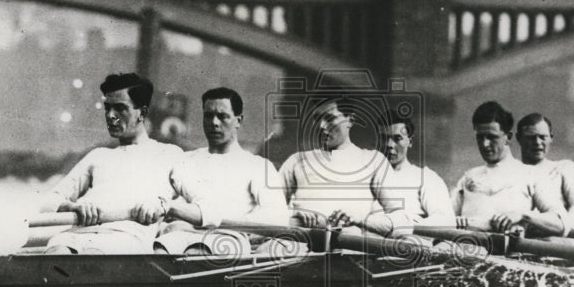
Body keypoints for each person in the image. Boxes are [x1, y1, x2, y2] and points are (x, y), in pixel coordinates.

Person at [38, 72, 183, 253]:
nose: (110, 115)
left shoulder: (169, 154)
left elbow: (192, 200)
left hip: (125, 237)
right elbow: (48, 201)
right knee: (55, 256)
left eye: (120, 108)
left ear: (142, 113)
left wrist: (160, 205)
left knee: (90, 260)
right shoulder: (98, 156)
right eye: (107, 108)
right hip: (77, 234)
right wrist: (73, 206)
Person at [153, 88, 288, 248]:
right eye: (208, 115)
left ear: (238, 120)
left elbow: (277, 217)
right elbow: (160, 201)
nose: (214, 123)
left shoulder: (258, 166)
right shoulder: (186, 160)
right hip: (180, 236)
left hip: (226, 240)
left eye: (222, 116)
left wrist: (229, 223)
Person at [278, 95, 407, 236]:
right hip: (299, 249)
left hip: (349, 252)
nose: (321, 126)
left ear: (350, 120)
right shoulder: (297, 161)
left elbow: (402, 224)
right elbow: (267, 211)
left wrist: (360, 220)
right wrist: (293, 213)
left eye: (329, 118)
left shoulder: (373, 161)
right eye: (317, 118)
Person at [451, 101, 566, 236]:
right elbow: (442, 218)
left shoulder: (531, 175)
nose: (485, 144)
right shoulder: (469, 177)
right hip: (466, 250)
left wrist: (523, 215)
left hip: (507, 254)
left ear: (508, 137)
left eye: (492, 137)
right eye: (480, 137)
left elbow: (560, 223)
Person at [515, 112, 574, 231]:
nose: (537, 142)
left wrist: (558, 226)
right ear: (518, 138)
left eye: (542, 137)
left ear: (551, 138)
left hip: (559, 240)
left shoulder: (564, 168)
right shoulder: (511, 173)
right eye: (531, 137)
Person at [378, 111, 455, 227]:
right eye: (384, 138)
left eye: (397, 138)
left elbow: (446, 221)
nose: (389, 145)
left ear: (410, 141)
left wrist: (407, 225)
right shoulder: (367, 178)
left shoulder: (425, 178)